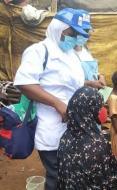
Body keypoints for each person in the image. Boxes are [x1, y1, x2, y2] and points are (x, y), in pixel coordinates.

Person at [13, 8, 89, 190]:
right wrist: (57, 103)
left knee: (70, 172)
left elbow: (65, 83)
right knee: (57, 175)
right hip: (51, 128)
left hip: (73, 126)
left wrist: (89, 84)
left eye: (81, 34)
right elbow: (25, 83)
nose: (77, 38)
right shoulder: (39, 51)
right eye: (74, 33)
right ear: (59, 28)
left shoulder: (71, 55)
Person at [57, 86, 117, 190]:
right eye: (99, 107)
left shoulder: (64, 138)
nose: (102, 110)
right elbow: (111, 185)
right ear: (91, 109)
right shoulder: (98, 144)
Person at [73, 9, 106, 89]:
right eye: (84, 31)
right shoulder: (66, 53)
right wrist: (89, 83)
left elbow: (92, 71)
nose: (88, 34)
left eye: (88, 31)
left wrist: (100, 76)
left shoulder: (85, 50)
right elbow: (66, 81)